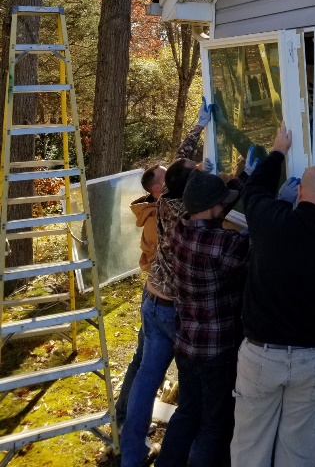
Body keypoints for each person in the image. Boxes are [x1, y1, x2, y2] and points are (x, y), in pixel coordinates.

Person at [230, 123, 315, 467]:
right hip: (314, 361)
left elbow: (255, 189)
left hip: (262, 357)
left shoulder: (272, 221)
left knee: (250, 448)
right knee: (300, 453)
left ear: (299, 192)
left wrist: (278, 151)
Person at [120, 99, 213, 467]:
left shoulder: (167, 200)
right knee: (191, 385)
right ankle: (188, 453)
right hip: (175, 308)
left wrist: (197, 129)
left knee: (147, 377)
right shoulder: (187, 210)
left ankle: (131, 455)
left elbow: (180, 163)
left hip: (152, 299)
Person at [155, 168, 252, 467]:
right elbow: (257, 240)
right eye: (222, 204)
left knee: (187, 413)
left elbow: (215, 203)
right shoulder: (224, 245)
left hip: (186, 344)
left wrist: (245, 176)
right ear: (211, 209)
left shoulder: (180, 227)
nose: (225, 207)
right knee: (214, 424)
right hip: (216, 351)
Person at [114, 165, 165, 429]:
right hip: (159, 297)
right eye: (168, 177)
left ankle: (125, 417)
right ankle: (125, 420)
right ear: (157, 190)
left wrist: (198, 130)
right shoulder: (159, 219)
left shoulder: (160, 207)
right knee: (145, 363)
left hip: (155, 293)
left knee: (144, 361)